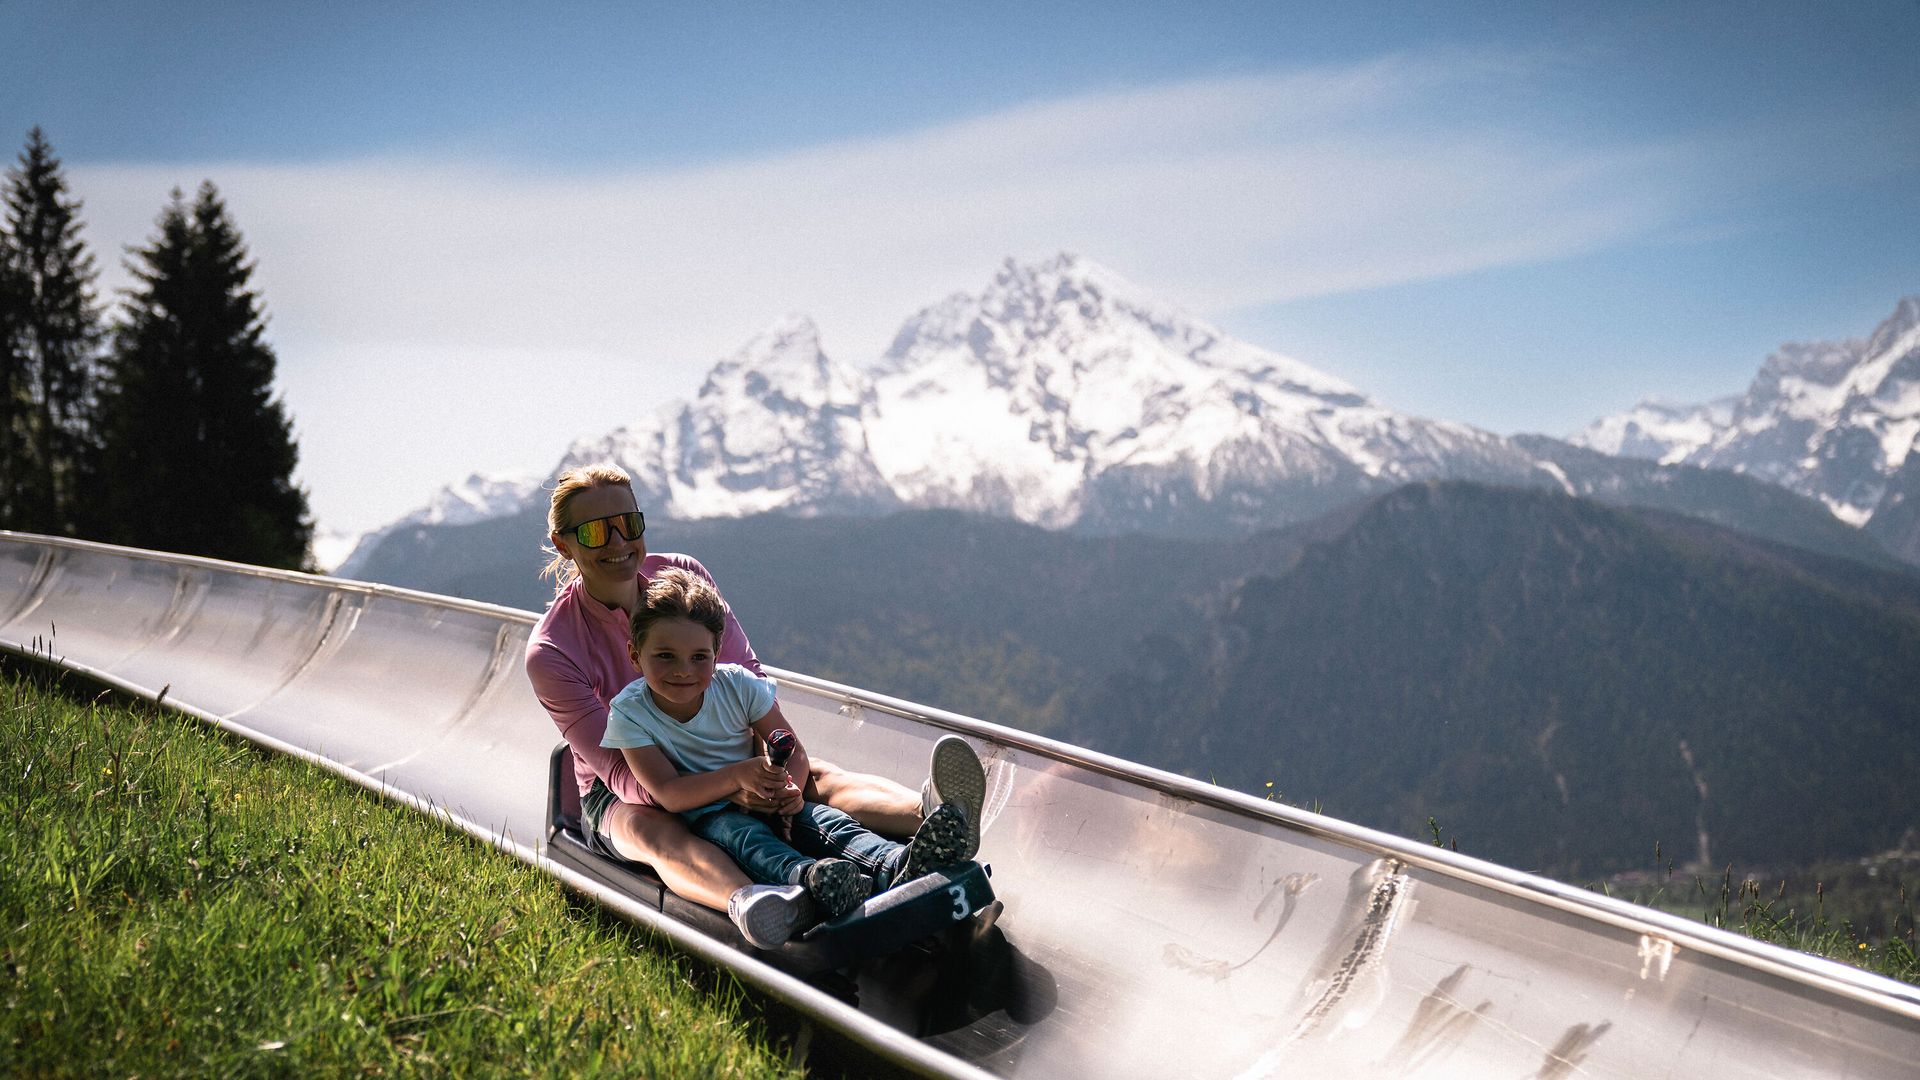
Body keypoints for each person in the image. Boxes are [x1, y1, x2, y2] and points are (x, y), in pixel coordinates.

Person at [525, 463, 988, 947]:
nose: (619, 543)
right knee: (654, 830)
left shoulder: (683, 578)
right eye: (598, 531)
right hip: (629, 789)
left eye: (630, 524)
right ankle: (754, 901)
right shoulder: (555, 650)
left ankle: (937, 819)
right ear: (565, 544)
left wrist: (776, 768)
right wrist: (725, 787)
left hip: (724, 753)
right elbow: (623, 775)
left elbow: (746, 680)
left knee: (813, 780)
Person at [603, 569, 975, 926]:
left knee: (825, 822)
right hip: (708, 816)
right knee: (745, 838)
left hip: (766, 794)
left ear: (716, 653)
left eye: (699, 657)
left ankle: (896, 863)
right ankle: (810, 881)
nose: (683, 670)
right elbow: (669, 793)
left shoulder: (738, 686)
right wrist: (737, 778)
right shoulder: (630, 713)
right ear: (635, 655)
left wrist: (789, 793)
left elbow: (791, 748)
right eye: (665, 656)